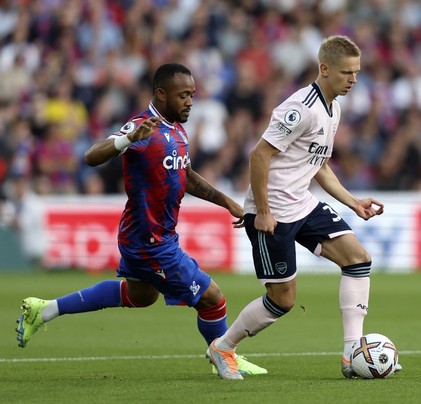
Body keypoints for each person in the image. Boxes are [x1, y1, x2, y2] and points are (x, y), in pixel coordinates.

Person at [15, 63, 266, 376]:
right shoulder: (141, 128)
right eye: (183, 95)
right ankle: (223, 354)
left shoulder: (176, 128)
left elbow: (186, 176)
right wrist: (127, 139)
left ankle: (45, 309)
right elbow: (91, 156)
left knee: (140, 296)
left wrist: (228, 202)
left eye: (192, 94)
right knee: (213, 298)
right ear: (161, 94)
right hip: (151, 242)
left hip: (148, 236)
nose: (190, 101)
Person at [206, 35, 400, 379]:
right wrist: (262, 210)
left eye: (356, 72)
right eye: (346, 73)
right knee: (283, 300)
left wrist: (354, 203)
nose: (354, 79)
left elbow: (320, 165)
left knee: (358, 259)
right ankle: (223, 347)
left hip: (303, 203)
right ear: (324, 69)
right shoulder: (301, 108)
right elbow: (259, 155)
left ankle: (351, 354)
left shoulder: (334, 106)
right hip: (275, 212)